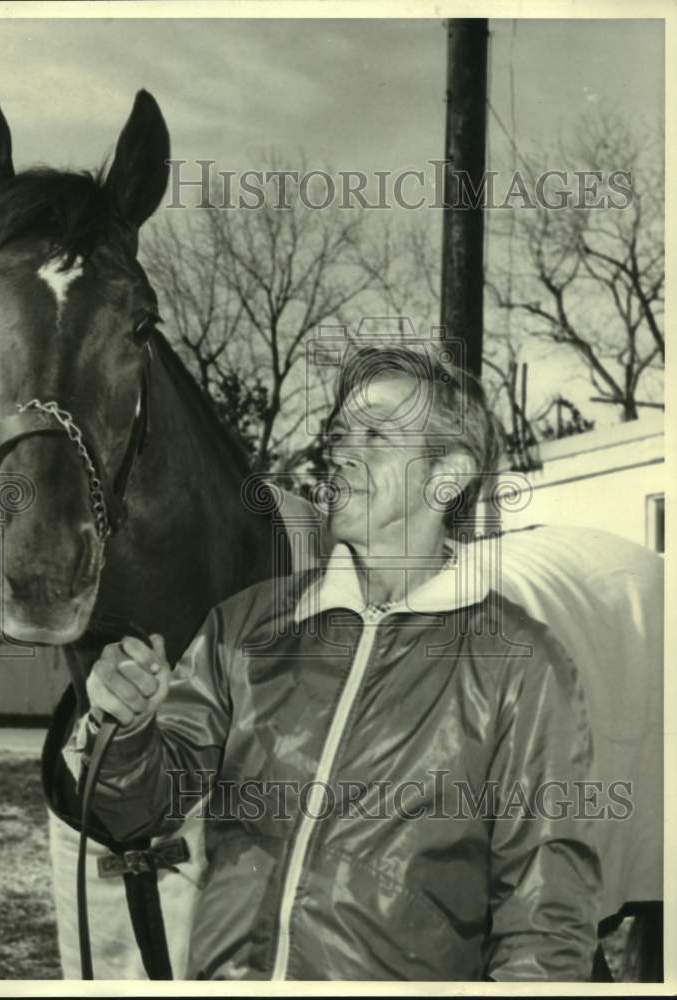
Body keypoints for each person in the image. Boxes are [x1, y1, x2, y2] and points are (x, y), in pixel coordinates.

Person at [63, 343, 602, 981]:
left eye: (374, 433)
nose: (339, 450)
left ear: (448, 474)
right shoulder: (245, 626)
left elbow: (545, 919)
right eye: (341, 432)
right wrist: (126, 731)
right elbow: (136, 812)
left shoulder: (521, 666)